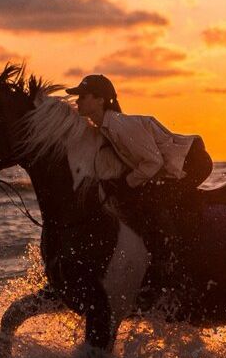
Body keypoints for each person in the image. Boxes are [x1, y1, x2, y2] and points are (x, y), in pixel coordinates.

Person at [66, 74, 213, 248]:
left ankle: (172, 252)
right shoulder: (106, 128)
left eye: (83, 96)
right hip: (178, 165)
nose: (77, 101)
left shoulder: (120, 126)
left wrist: (127, 183)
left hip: (194, 162)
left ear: (100, 100)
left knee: (153, 202)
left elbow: (153, 162)